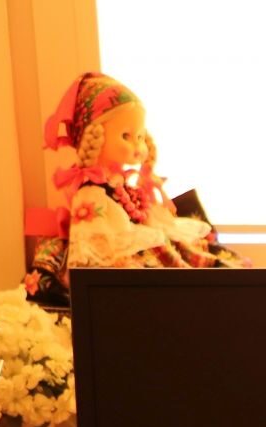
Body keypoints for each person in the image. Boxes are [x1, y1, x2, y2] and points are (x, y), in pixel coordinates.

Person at [24, 71, 245, 309]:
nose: (136, 145)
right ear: (95, 136)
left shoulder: (120, 184)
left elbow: (141, 220)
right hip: (119, 258)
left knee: (197, 254)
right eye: (125, 136)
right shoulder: (92, 192)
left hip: (136, 246)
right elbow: (97, 244)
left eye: (139, 136)